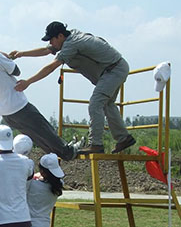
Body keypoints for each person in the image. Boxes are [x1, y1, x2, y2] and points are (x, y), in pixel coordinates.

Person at [10, 21, 136, 154]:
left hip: (114, 70)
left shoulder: (72, 44)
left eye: (51, 40)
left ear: (59, 36)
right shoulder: (67, 39)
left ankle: (96, 144)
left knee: (95, 104)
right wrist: (21, 53)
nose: (51, 43)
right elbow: (47, 50)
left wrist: (28, 82)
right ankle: (124, 138)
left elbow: (51, 67)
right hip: (114, 69)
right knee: (107, 104)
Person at [0, 29, 76, 161]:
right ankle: (68, 151)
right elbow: (16, 71)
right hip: (17, 104)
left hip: (5, 111)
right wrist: (6, 58)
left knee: (35, 135)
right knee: (43, 128)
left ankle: (55, 154)